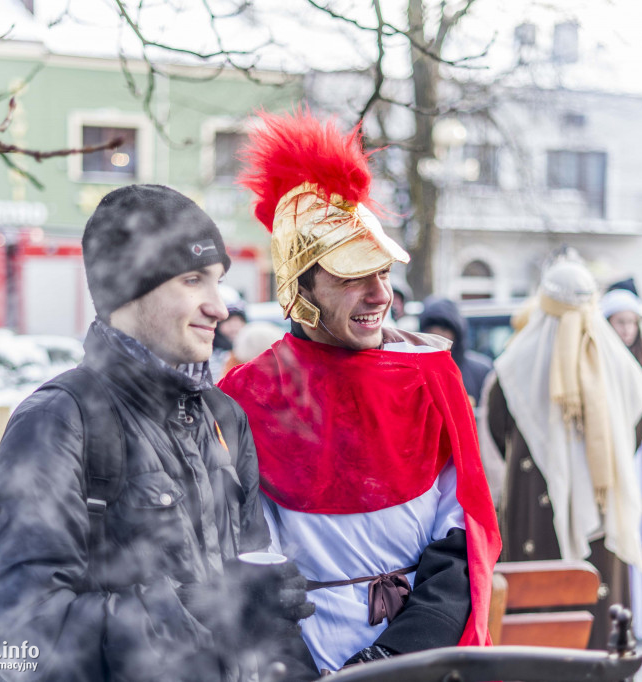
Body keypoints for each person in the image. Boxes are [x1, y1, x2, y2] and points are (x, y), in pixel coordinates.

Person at [0, 185, 317, 681]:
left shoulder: (224, 418)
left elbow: (258, 603)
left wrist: (271, 619)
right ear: (129, 288)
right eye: (193, 280)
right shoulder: (57, 421)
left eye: (217, 281)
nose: (219, 306)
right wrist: (200, 609)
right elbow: (18, 639)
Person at [218, 109, 501, 674]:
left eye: (383, 273)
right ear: (300, 286)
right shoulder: (243, 399)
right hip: (307, 661)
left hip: (421, 657)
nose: (378, 295)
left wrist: (393, 660)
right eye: (351, 276)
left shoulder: (429, 376)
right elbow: (245, 563)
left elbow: (459, 546)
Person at [484, 258, 642, 648]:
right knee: (596, 621)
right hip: (601, 510)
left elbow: (495, 431)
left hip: (533, 513)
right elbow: (638, 426)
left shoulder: (513, 365)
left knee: (539, 631)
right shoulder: (620, 366)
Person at [600, 288, 642, 640]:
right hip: (609, 457)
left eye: (632, 322)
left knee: (639, 532)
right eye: (620, 322)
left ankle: (637, 617)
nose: (627, 329)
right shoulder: (598, 358)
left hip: (639, 460)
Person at [418, 295, 493, 407]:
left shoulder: (481, 371)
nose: (438, 336)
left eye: (444, 329)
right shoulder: (416, 373)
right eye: (431, 330)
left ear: (457, 332)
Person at [208, 285, 247, 381]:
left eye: (239, 320)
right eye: (228, 321)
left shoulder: (247, 351)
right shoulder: (209, 355)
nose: (234, 326)